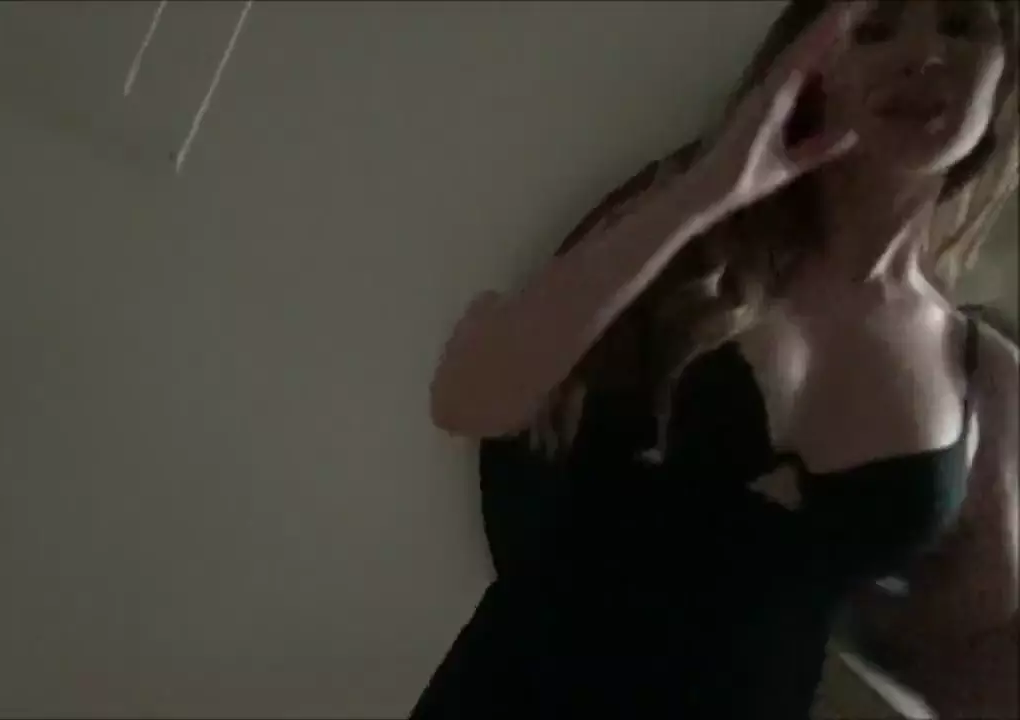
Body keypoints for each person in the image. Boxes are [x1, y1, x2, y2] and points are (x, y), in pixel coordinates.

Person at [415, 0, 1018, 717]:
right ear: (812, 64)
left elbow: (974, 637)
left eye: (960, 24)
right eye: (875, 27)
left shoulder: (981, 372)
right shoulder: (680, 240)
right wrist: (712, 186)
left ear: (1003, 78)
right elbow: (466, 400)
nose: (923, 54)